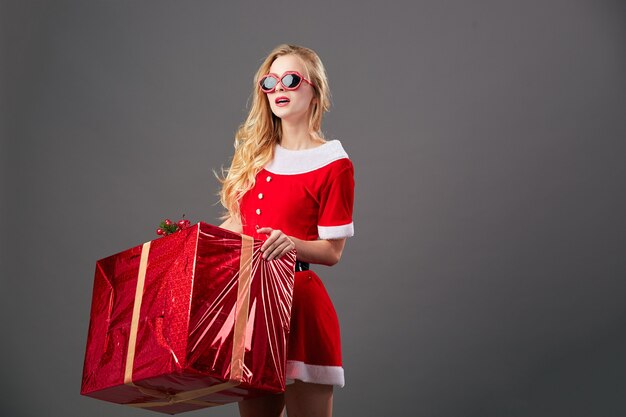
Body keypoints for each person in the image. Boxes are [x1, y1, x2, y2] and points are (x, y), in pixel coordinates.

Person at [218, 44, 355, 417]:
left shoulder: (334, 163)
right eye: (270, 81)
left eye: (291, 80)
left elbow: (332, 252)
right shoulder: (255, 156)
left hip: (300, 306)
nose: (279, 88)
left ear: (315, 91)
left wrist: (291, 243)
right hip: (252, 306)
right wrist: (185, 245)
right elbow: (234, 231)